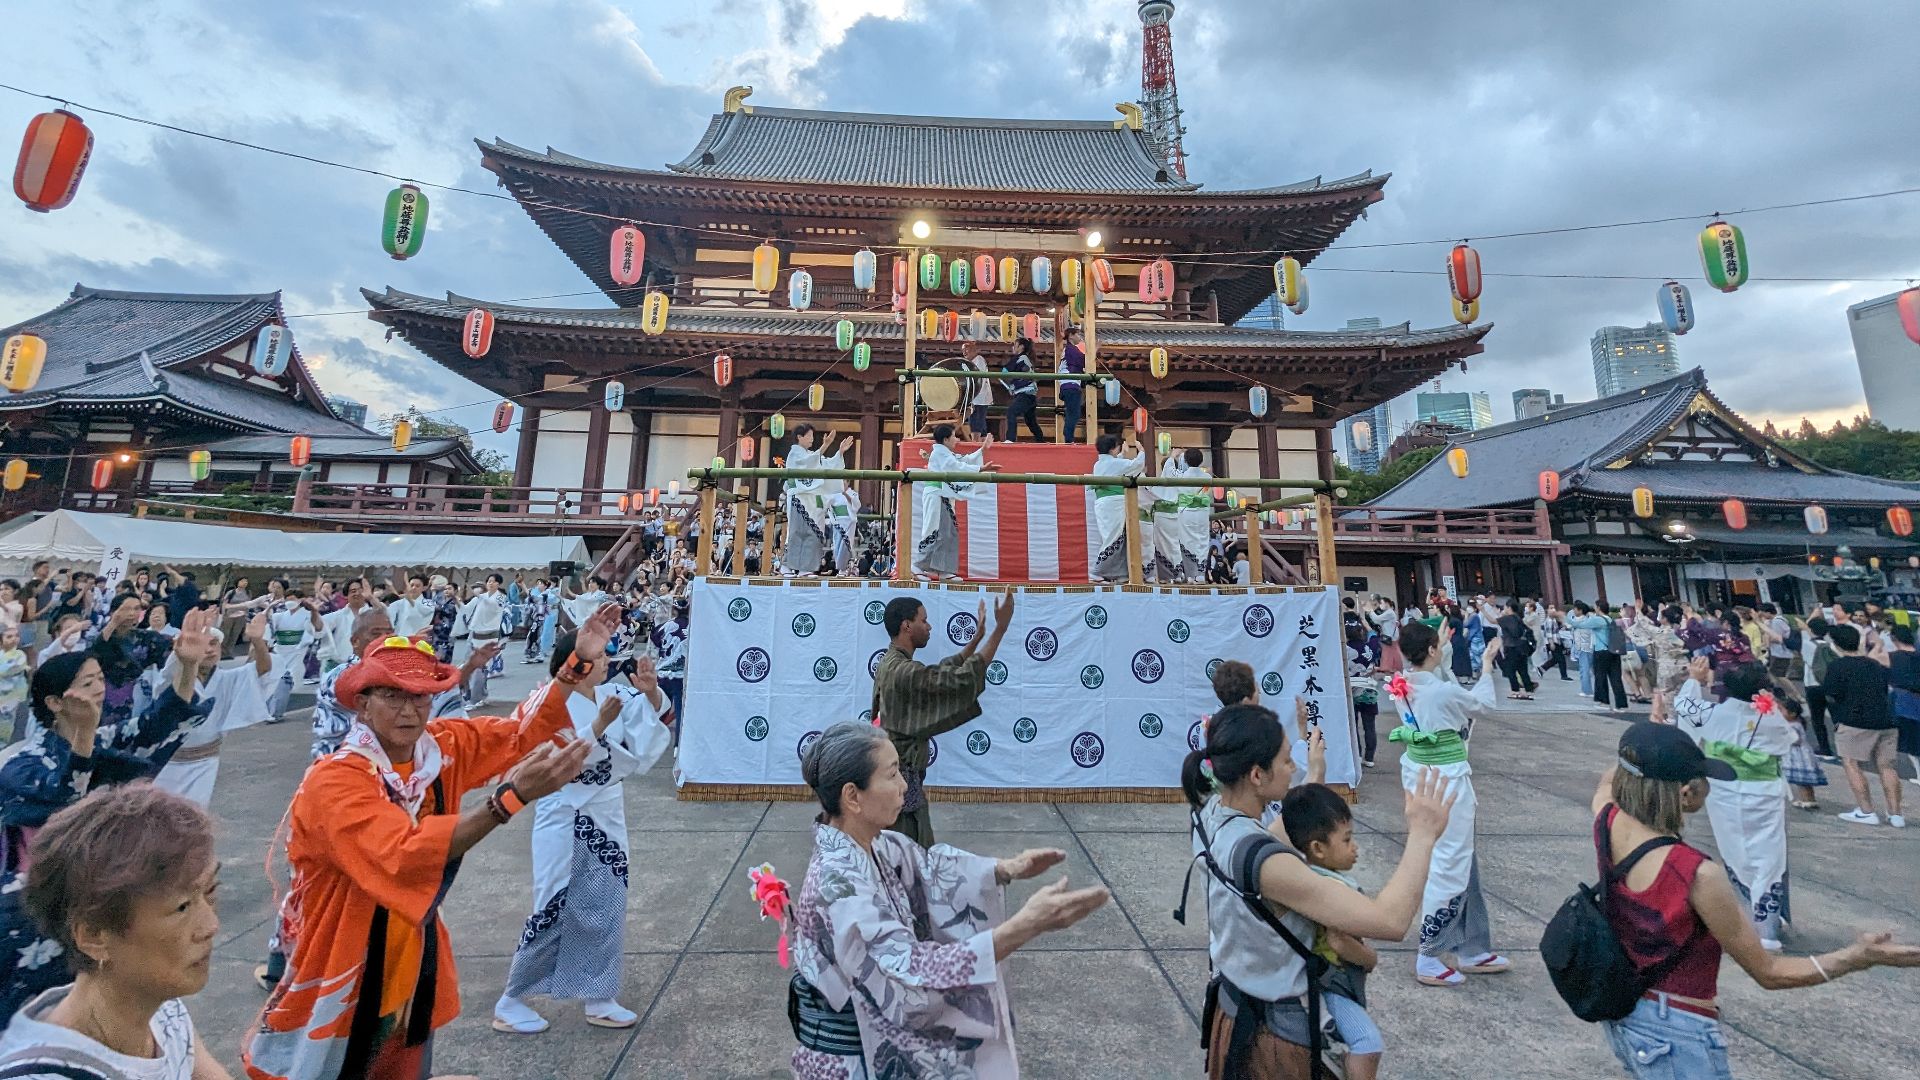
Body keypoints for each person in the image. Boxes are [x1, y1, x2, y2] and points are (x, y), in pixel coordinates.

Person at [242, 604, 621, 1080]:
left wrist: (575, 666)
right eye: (392, 695)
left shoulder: (437, 748)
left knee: (403, 1062)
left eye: (421, 696)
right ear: (361, 702)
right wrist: (507, 800)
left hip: (409, 954)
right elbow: (404, 854)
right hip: (342, 959)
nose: (409, 709)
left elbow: (518, 732)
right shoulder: (335, 782)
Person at [1590, 722, 1920, 1079]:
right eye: (1705, 781)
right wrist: (1858, 958)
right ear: (1685, 794)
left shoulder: (1607, 820)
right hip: (1679, 1031)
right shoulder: (1696, 874)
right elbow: (1770, 972)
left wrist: (1637, 758)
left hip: (1629, 1015)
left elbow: (1611, 779)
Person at [787, 722, 1109, 1077]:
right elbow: (909, 976)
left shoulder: (878, 844)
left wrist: (1004, 869)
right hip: (852, 1061)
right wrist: (1023, 927)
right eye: (892, 775)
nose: (904, 786)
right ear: (853, 796)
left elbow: (929, 871)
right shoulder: (838, 886)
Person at [1180, 702, 1458, 1078]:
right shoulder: (1272, 866)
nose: (1292, 766)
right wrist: (1423, 835)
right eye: (1285, 760)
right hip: (1276, 1039)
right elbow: (1390, 921)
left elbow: (1276, 834)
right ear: (1258, 775)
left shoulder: (1211, 815)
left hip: (1234, 1012)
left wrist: (1315, 772)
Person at [251, 606, 487, 993]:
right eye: (376, 631)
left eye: (390, 630)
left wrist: (458, 668)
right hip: (339, 787)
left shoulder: (389, 680)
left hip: (389, 784)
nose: (384, 636)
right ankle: (286, 962)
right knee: (313, 885)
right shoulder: (341, 679)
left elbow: (436, 710)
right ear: (356, 640)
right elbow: (378, 724)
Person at [0, 610, 217, 1021]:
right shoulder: (21, 764)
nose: (99, 689)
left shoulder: (102, 738)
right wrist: (82, 739)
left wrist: (186, 667)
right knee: (31, 1013)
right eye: (87, 683)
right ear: (54, 702)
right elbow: (64, 809)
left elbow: (157, 726)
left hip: (97, 892)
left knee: (101, 1001)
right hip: (32, 903)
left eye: (100, 679)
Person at [494, 638, 673, 1034]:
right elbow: (549, 757)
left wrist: (651, 692)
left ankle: (599, 995)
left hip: (606, 812)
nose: (607, 661)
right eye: (599, 657)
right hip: (563, 810)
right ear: (575, 664)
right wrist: (598, 726)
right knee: (553, 903)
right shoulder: (545, 701)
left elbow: (651, 726)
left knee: (606, 901)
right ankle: (511, 999)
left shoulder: (612, 693)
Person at [0, 785, 229, 1078]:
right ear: (94, 936)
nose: (211, 925)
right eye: (182, 907)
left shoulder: (162, 1012)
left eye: (210, 891)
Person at [1384, 620, 1510, 987]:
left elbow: (1440, 682)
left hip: (1420, 774)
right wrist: (1486, 666)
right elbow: (1482, 704)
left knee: (1457, 859)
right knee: (1450, 862)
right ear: (1433, 651)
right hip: (1445, 780)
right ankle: (1429, 954)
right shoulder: (1440, 692)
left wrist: (1439, 649)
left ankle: (1472, 947)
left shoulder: (1401, 686)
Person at [1666, 658, 1795, 950]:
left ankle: (1756, 913)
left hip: (1724, 787)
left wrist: (1695, 681)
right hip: (1763, 790)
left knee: (1735, 849)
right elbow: (1790, 739)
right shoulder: (1770, 715)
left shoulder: (1715, 714)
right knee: (1769, 854)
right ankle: (1768, 923)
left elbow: (1684, 706)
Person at [872, 593, 1012, 846]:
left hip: (900, 782)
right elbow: (956, 680)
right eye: (923, 620)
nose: (929, 626)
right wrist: (1000, 631)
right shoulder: (903, 671)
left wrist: (977, 639)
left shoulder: (891, 662)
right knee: (911, 860)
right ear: (907, 626)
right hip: (902, 793)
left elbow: (939, 671)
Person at [1279, 784, 1383, 1080]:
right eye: (1347, 839)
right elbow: (1338, 940)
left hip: (1319, 981)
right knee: (1367, 1042)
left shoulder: (1307, 873)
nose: (1355, 847)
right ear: (1318, 849)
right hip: (1329, 987)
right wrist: (1369, 959)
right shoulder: (1331, 890)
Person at [153, 612, 273, 808]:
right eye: (203, 644)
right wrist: (185, 655)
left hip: (204, 763)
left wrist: (258, 641)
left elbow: (261, 669)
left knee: (192, 819)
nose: (209, 650)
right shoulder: (175, 673)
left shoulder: (227, 679)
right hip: (166, 763)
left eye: (214, 644)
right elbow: (171, 679)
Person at [1821, 622, 1903, 827]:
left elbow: (1831, 693)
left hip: (1853, 721)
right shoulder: (1875, 665)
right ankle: (1895, 814)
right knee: (1887, 766)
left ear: (1836, 645)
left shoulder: (1836, 666)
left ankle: (1867, 811)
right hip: (1885, 720)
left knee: (1851, 762)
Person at [913, 424, 994, 582]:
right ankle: (918, 565)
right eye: (954, 436)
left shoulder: (944, 454)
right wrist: (980, 469)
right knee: (934, 531)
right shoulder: (940, 454)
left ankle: (943, 570)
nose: (957, 439)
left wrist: (982, 450)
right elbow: (957, 466)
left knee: (948, 532)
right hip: (936, 494)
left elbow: (961, 460)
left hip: (942, 495)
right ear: (945, 439)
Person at [780, 424, 852, 576]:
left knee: (813, 533)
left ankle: (805, 568)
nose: (812, 439)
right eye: (809, 436)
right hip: (799, 497)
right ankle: (786, 566)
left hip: (813, 500)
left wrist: (839, 452)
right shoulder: (795, 454)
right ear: (799, 437)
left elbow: (824, 464)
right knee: (796, 533)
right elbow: (809, 463)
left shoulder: (810, 454)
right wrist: (825, 445)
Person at [1090, 431, 1145, 582]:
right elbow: (1137, 465)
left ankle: (1119, 573)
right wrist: (1141, 451)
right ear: (1112, 449)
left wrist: (1123, 454)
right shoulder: (1113, 463)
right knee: (1114, 537)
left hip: (1104, 503)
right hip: (1114, 502)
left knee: (1117, 536)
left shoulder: (1099, 464)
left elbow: (1116, 467)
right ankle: (1097, 571)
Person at [262, 587, 322, 723]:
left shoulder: (306, 615)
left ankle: (276, 712)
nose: (290, 602)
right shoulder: (279, 616)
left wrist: (314, 611)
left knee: (285, 681)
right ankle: (271, 711)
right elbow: (268, 623)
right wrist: (270, 607)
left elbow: (314, 628)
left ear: (300, 600)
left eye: (293, 599)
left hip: (297, 652)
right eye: (287, 599)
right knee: (274, 680)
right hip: (280, 651)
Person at [456, 574, 510, 703]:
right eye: (488, 581)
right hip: (474, 633)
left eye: (493, 581)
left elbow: (493, 606)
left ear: (498, 584)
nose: (490, 583)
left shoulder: (501, 597)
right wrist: (456, 599)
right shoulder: (479, 598)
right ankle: (466, 695)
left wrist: (478, 595)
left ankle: (476, 698)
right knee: (468, 665)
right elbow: (465, 609)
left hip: (489, 636)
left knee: (480, 668)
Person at [1571, 601, 1628, 713]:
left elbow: (1580, 624)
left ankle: (1604, 702)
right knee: (1616, 678)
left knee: (1600, 676)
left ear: (1599, 608)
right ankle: (1620, 705)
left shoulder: (1597, 620)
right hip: (1614, 651)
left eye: (1596, 607)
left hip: (1601, 651)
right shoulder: (1611, 620)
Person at [1887, 624, 1920, 787]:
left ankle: (1919, 773)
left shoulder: (1892, 657)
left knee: (1911, 743)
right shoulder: (1918, 655)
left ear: (1894, 638)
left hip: (1904, 703)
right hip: (1914, 701)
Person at [1000, 336, 1044, 442]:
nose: (1013, 347)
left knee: (1011, 412)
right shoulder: (1025, 359)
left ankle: (1010, 439)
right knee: (1030, 421)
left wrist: (1010, 385)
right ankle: (1040, 441)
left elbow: (1004, 371)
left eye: (1015, 345)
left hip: (1025, 393)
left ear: (1021, 347)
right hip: (1029, 393)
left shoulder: (1020, 358)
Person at [1495, 599, 1536, 699]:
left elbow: (1493, 620)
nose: (1504, 609)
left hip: (1511, 647)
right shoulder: (1518, 618)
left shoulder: (1507, 619)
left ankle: (1515, 691)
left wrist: (1482, 609)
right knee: (1523, 670)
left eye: (1505, 607)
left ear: (1509, 608)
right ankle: (1529, 691)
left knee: (1511, 670)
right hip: (1522, 647)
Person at [959, 339, 994, 438]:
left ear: (975, 350)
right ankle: (981, 442)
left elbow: (976, 379)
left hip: (979, 396)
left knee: (976, 421)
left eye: (967, 349)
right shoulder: (970, 362)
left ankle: (976, 442)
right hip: (975, 397)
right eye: (963, 350)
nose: (965, 352)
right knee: (979, 421)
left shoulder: (978, 360)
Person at [1057, 327, 1086, 443]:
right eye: (1078, 335)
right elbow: (1082, 360)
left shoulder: (1069, 350)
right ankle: (1068, 438)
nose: (1079, 337)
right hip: (1070, 383)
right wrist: (1093, 352)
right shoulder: (1070, 349)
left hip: (1068, 384)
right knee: (1074, 412)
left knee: (1072, 411)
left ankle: (1068, 437)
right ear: (1071, 336)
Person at [0, 625, 27, 743]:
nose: (14, 639)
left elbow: (9, 670)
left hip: (12, 694)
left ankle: (2, 743)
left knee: (7, 721)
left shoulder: (20, 655)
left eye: (16, 636)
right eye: (9, 636)